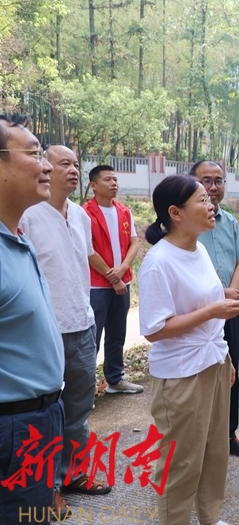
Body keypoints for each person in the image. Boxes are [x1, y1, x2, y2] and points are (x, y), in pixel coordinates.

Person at [138, 175, 239, 525]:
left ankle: (211, 517)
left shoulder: (199, 249)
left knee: (214, 450)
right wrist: (211, 311)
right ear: (175, 213)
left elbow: (200, 301)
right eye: (202, 199)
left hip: (213, 361)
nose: (211, 204)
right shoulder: (158, 262)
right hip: (181, 373)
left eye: (209, 199)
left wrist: (224, 357)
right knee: (181, 462)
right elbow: (155, 330)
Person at [20, 145, 113, 509]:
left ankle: (73, 472)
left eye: (76, 164)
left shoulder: (81, 215)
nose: (73, 170)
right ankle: (47, 488)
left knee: (79, 408)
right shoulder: (28, 215)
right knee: (44, 414)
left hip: (83, 325)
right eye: (64, 164)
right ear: (46, 167)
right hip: (46, 329)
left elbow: (83, 261)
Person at [0, 113, 66, 522]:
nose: (47, 166)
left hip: (38, 420)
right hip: (12, 429)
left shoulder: (16, 235)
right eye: (34, 154)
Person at [191, 160, 239, 459]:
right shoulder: (186, 222)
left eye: (218, 180)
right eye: (206, 180)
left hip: (228, 309)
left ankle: (228, 434)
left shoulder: (228, 221)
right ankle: (200, 437)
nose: (213, 187)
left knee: (231, 371)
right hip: (199, 312)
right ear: (193, 182)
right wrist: (219, 294)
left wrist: (232, 293)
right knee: (201, 374)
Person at [84, 165, 142, 394]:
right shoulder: (85, 213)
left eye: (115, 179)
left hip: (123, 281)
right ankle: (86, 387)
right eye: (107, 179)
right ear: (93, 185)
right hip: (97, 286)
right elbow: (88, 250)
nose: (114, 183)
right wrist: (113, 277)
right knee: (92, 336)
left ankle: (115, 379)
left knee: (117, 333)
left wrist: (123, 269)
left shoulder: (124, 211)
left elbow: (134, 243)